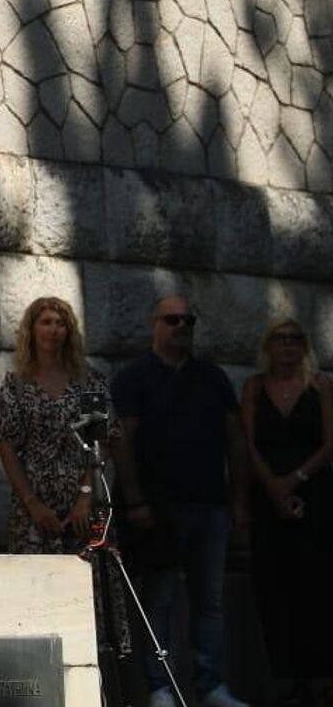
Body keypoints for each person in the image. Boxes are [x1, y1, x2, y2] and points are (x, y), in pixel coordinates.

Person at [111, 295, 250, 707]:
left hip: (210, 506)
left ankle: (211, 686)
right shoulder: (134, 377)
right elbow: (123, 441)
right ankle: (161, 686)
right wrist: (134, 499)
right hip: (159, 510)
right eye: (172, 319)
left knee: (210, 602)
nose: (181, 326)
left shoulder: (213, 378)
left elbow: (236, 440)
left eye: (188, 320)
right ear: (154, 323)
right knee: (162, 601)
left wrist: (239, 500)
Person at [240, 318, 333, 701]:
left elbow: (330, 444)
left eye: (297, 338)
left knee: (317, 587)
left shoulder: (321, 386)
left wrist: (294, 480)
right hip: (267, 496)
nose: (289, 345)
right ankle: (286, 679)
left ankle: (322, 678)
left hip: (316, 493)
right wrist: (274, 488)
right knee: (274, 588)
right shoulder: (254, 387)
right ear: (268, 345)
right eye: (281, 338)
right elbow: (247, 443)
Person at [0, 296, 114, 554]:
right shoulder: (16, 385)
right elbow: (7, 447)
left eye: (60, 323)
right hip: (34, 504)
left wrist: (84, 496)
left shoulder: (88, 382)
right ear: (32, 330)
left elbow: (100, 444)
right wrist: (32, 503)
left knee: (87, 583)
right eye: (46, 322)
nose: (53, 330)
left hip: (82, 500)